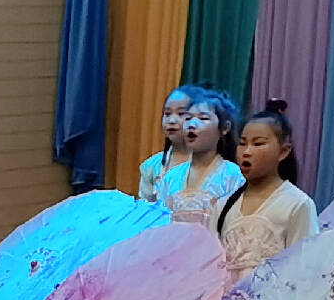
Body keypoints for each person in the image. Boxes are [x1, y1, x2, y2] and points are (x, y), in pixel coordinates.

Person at [215, 105, 318, 281]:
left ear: (283, 152)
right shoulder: (222, 206)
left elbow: (304, 269)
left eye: (258, 144)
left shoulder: (297, 204)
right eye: (242, 143)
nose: (247, 152)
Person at [164, 91, 244, 226]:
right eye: (188, 118)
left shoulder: (233, 176)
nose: (192, 124)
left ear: (225, 128)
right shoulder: (171, 177)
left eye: (203, 118)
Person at [136, 87, 196, 203]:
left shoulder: (208, 165)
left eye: (181, 113)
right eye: (167, 113)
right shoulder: (151, 166)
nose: (171, 120)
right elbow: (145, 206)